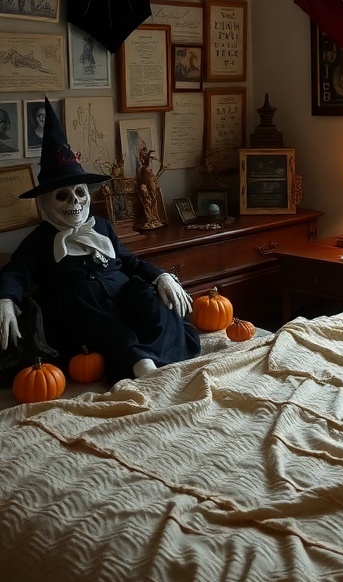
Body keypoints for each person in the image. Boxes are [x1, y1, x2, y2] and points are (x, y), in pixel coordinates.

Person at [0, 98, 200, 383]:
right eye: (62, 196)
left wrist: (162, 277)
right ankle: (140, 362)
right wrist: (6, 299)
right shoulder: (39, 240)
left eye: (80, 193)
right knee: (96, 317)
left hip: (121, 292)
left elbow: (128, 261)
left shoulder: (102, 226)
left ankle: (152, 355)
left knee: (155, 302)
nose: (75, 202)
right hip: (81, 309)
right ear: (46, 202)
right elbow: (16, 272)